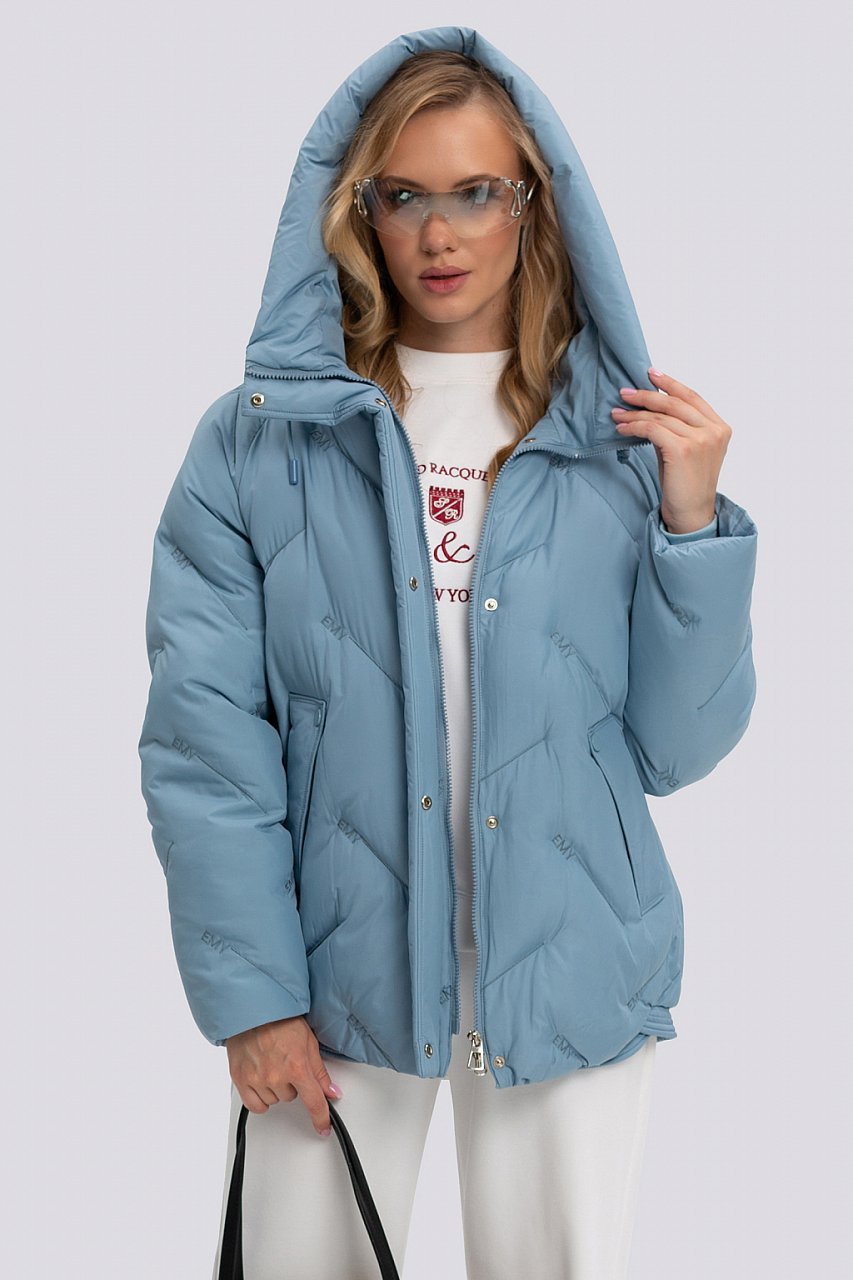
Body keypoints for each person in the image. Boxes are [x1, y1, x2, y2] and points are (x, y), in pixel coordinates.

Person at [137, 26, 758, 1280]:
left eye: (476, 191)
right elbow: (205, 745)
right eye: (402, 195)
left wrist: (692, 525)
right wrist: (253, 995)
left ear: (534, 202)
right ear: (355, 210)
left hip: (572, 968)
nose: (439, 233)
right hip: (333, 976)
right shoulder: (259, 444)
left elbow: (675, 748)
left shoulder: (619, 441)